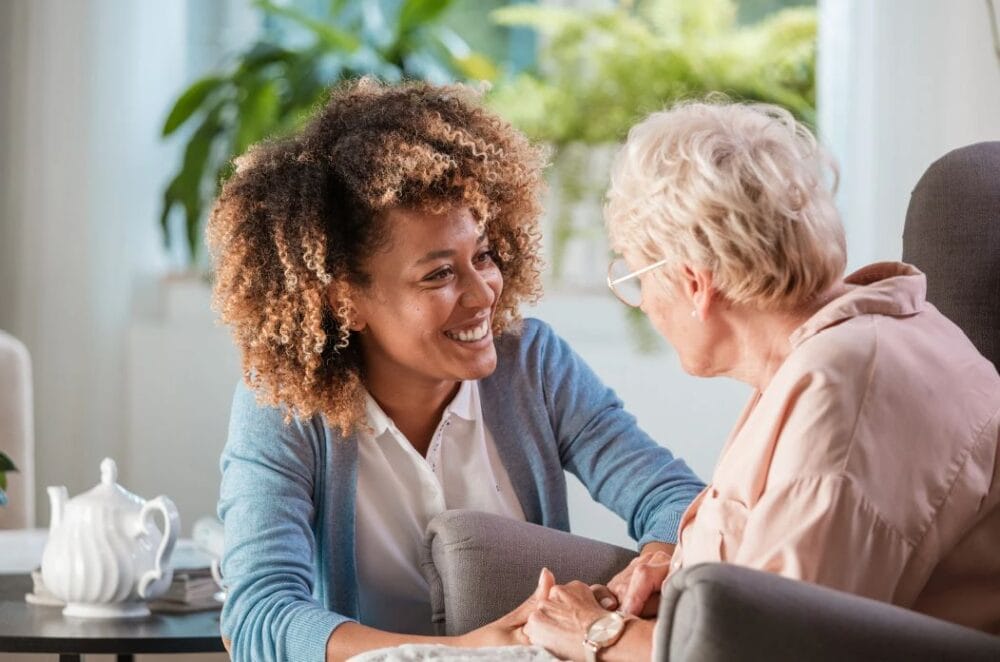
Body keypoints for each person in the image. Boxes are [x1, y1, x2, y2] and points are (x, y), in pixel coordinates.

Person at [208, 78, 705, 662]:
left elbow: (673, 496)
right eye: (438, 274)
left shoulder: (533, 363)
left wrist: (655, 563)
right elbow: (258, 614)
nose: (482, 294)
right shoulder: (285, 405)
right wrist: (455, 652)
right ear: (346, 301)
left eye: (484, 256)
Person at [521, 100, 1000, 660]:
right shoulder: (846, 347)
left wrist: (595, 635)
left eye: (636, 275)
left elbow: (772, 649)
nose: (644, 304)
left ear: (694, 283)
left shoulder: (842, 391)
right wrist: (671, 574)